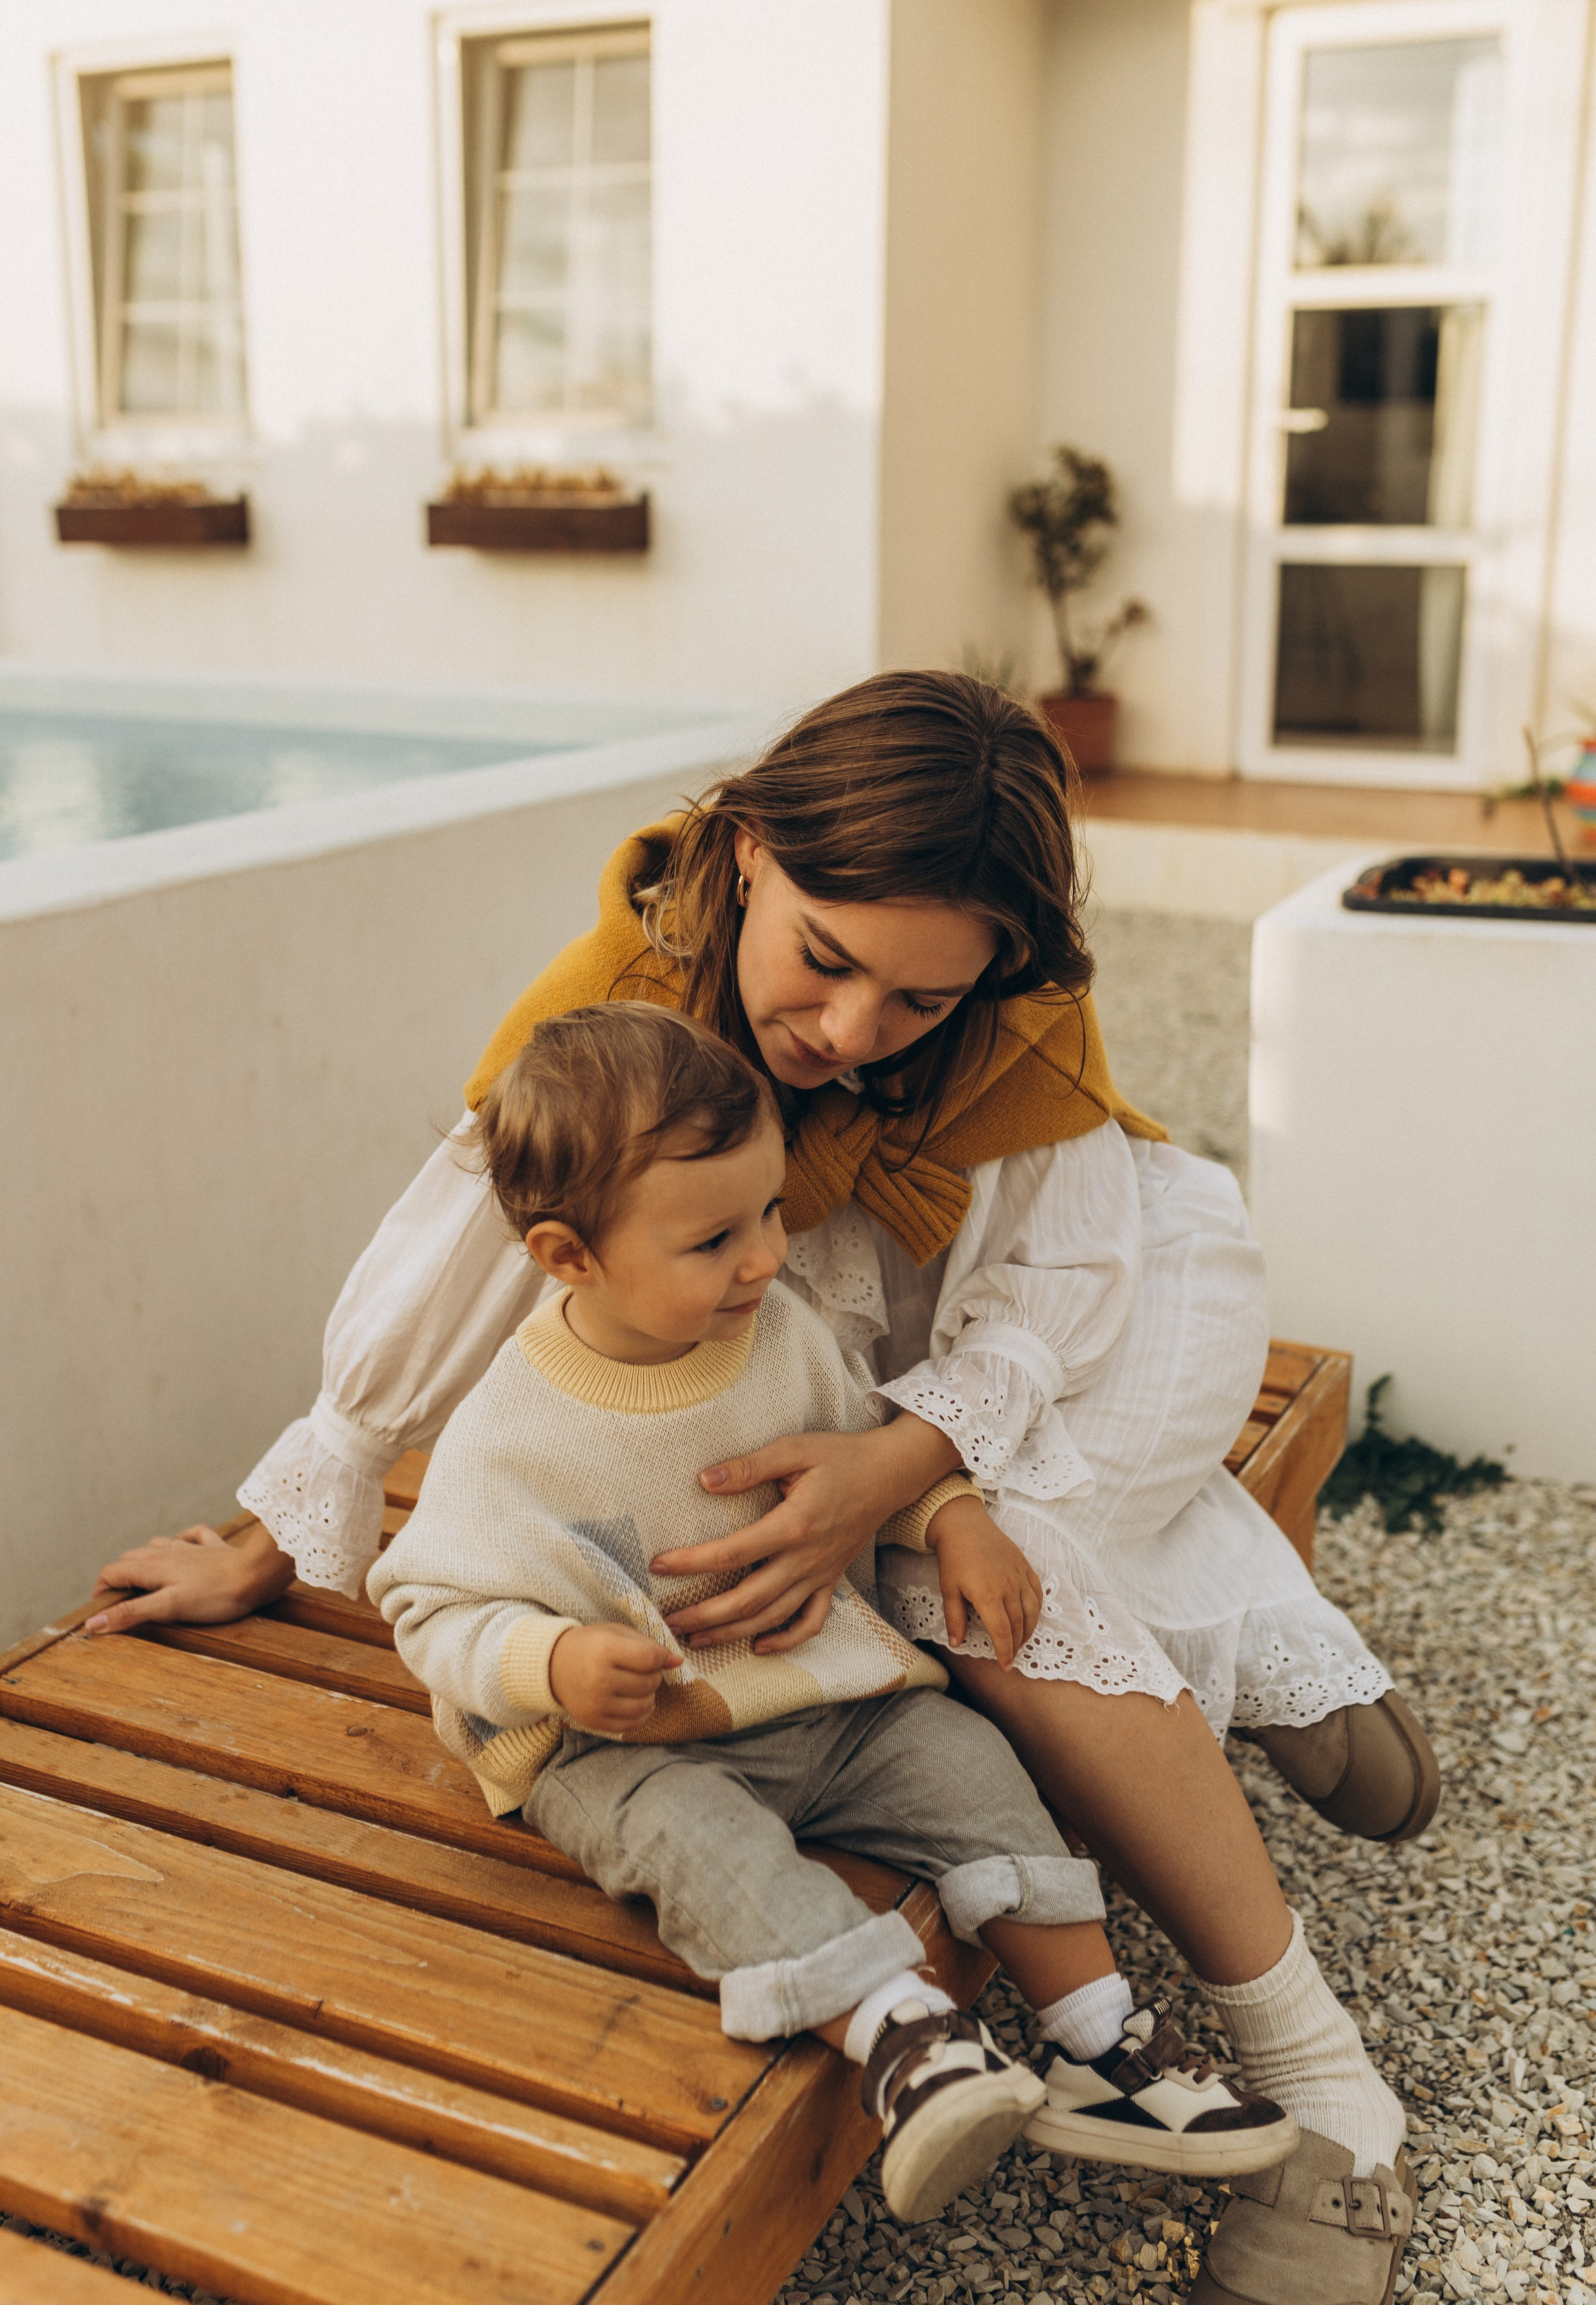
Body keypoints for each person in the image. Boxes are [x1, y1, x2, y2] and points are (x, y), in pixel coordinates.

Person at [94, 674, 1428, 2302]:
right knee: (929, 1552)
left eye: (922, 1003)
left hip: (1084, 1301)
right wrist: (281, 1527)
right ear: (743, 853)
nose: (859, 1035)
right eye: (825, 960)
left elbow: (1052, 1287)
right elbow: (461, 1258)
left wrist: (906, 1464)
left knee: (997, 1569)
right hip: (827, 1311)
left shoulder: (1020, 1009)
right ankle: (1274, 1665)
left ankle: (1330, 2097)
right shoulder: (616, 1002)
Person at [367, 1001, 1297, 2222]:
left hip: (830, 1700)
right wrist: (549, 1661)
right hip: (634, 1747)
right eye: (714, 1240)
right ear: (567, 1258)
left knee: (969, 1761)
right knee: (704, 1850)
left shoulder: (778, 1331)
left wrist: (951, 1516)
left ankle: (1095, 2038)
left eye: (769, 1213)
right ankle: (908, 2041)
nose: (762, 1257)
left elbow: (860, 1455)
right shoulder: (511, 1431)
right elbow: (426, 1602)